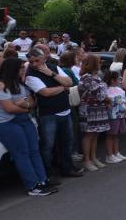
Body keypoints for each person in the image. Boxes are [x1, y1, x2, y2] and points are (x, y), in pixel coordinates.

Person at [0, 57, 57, 196]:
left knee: (34, 151)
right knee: (22, 153)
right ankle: (33, 186)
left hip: (23, 120)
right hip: (5, 123)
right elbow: (9, 109)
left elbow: (32, 102)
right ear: (12, 69)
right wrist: (26, 107)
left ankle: (42, 180)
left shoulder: (20, 84)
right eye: (21, 68)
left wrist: (24, 105)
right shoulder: (0, 86)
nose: (24, 70)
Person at [24, 48, 84, 179]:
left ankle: (67, 168)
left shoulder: (53, 67)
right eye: (31, 61)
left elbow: (69, 82)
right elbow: (45, 92)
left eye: (37, 60)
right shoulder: (30, 75)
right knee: (48, 146)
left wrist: (51, 74)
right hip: (48, 114)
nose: (34, 64)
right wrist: (62, 87)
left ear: (44, 59)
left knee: (67, 142)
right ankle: (48, 172)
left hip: (65, 110)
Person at [77, 54, 110, 171]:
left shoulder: (95, 77)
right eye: (98, 62)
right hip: (89, 109)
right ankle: (87, 160)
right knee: (89, 134)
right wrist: (105, 88)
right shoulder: (87, 77)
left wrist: (104, 89)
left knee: (95, 134)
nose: (100, 64)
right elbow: (100, 94)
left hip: (97, 108)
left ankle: (93, 157)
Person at [103, 70, 126, 164]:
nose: (120, 80)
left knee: (117, 134)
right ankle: (109, 155)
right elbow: (106, 103)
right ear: (112, 80)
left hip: (120, 115)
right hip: (112, 116)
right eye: (118, 79)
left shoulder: (120, 90)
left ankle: (116, 152)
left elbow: (124, 101)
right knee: (111, 135)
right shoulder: (106, 90)